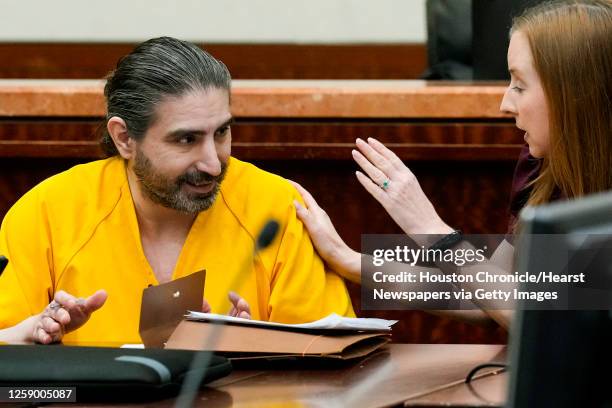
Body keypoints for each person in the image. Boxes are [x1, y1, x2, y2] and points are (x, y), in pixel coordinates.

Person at [0, 37, 354, 345]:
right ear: (124, 138)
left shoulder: (276, 209)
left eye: (221, 133)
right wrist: (34, 337)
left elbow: (333, 363)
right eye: (187, 139)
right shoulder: (46, 212)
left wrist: (256, 355)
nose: (214, 164)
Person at [292, 0, 611, 330]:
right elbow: (484, 292)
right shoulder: (541, 166)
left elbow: (534, 316)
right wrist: (347, 259)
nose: (505, 104)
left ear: (575, 93)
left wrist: (434, 231)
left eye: (519, 85)